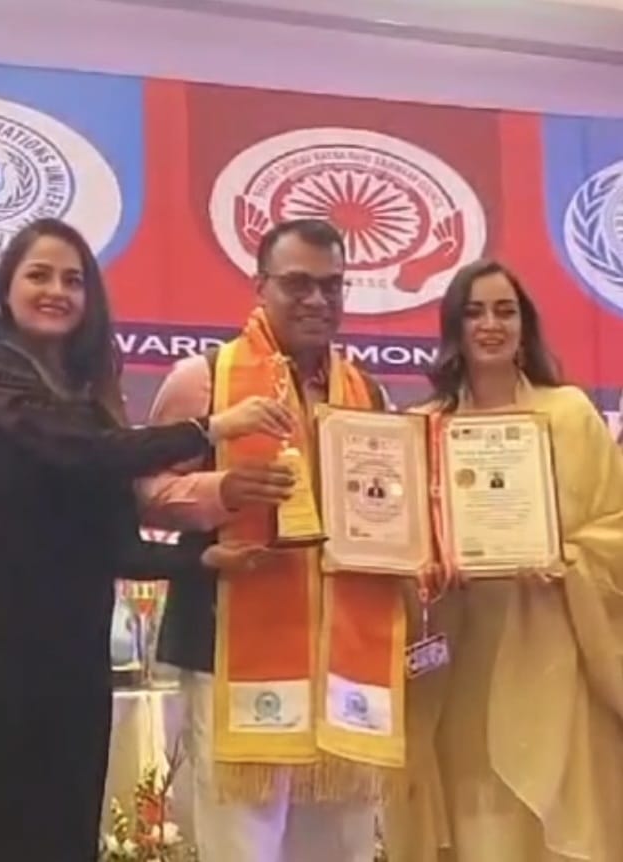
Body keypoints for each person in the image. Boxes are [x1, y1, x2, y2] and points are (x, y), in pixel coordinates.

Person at [0, 217, 283, 862]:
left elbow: (115, 543)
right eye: (39, 275)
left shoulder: (92, 400)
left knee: (64, 819)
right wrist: (208, 429)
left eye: (73, 280)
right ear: (6, 291)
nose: (56, 291)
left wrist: (201, 559)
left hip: (71, 641)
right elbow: (74, 450)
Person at [138, 219, 397, 862]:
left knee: (341, 843)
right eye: (297, 284)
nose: (317, 300)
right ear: (261, 286)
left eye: (332, 286)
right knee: (242, 846)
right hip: (229, 645)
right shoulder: (203, 377)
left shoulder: (368, 391)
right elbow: (144, 493)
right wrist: (223, 490)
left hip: (342, 653)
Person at [383, 259, 623, 861]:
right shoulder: (423, 428)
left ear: (525, 325)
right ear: (454, 328)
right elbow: (397, 550)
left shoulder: (570, 415)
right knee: (476, 822)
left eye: (504, 311)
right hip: (459, 658)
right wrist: (428, 569)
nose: (490, 325)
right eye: (474, 312)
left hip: (554, 653)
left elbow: (616, 528)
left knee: (550, 819)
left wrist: (567, 559)